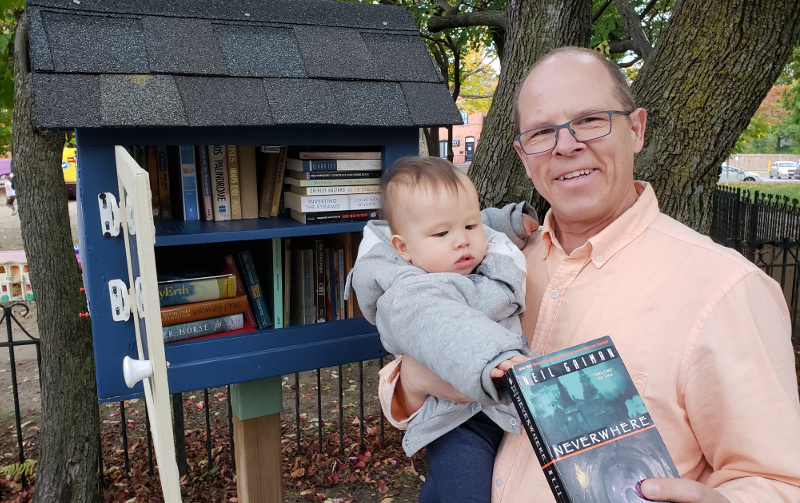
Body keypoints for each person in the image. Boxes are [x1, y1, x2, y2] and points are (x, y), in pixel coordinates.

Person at [376, 46, 800, 503]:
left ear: (636, 129)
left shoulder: (726, 290)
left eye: (591, 120)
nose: (566, 145)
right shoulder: (496, 260)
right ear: (522, 155)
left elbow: (777, 481)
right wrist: (412, 382)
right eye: (542, 132)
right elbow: (409, 383)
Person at [348, 156, 538, 503]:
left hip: (503, 413)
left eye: (469, 228)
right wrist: (491, 356)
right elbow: (441, 324)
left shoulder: (471, 245)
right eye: (442, 234)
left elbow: (484, 222)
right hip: (458, 420)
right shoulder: (408, 289)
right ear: (403, 248)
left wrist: (510, 221)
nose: (462, 241)